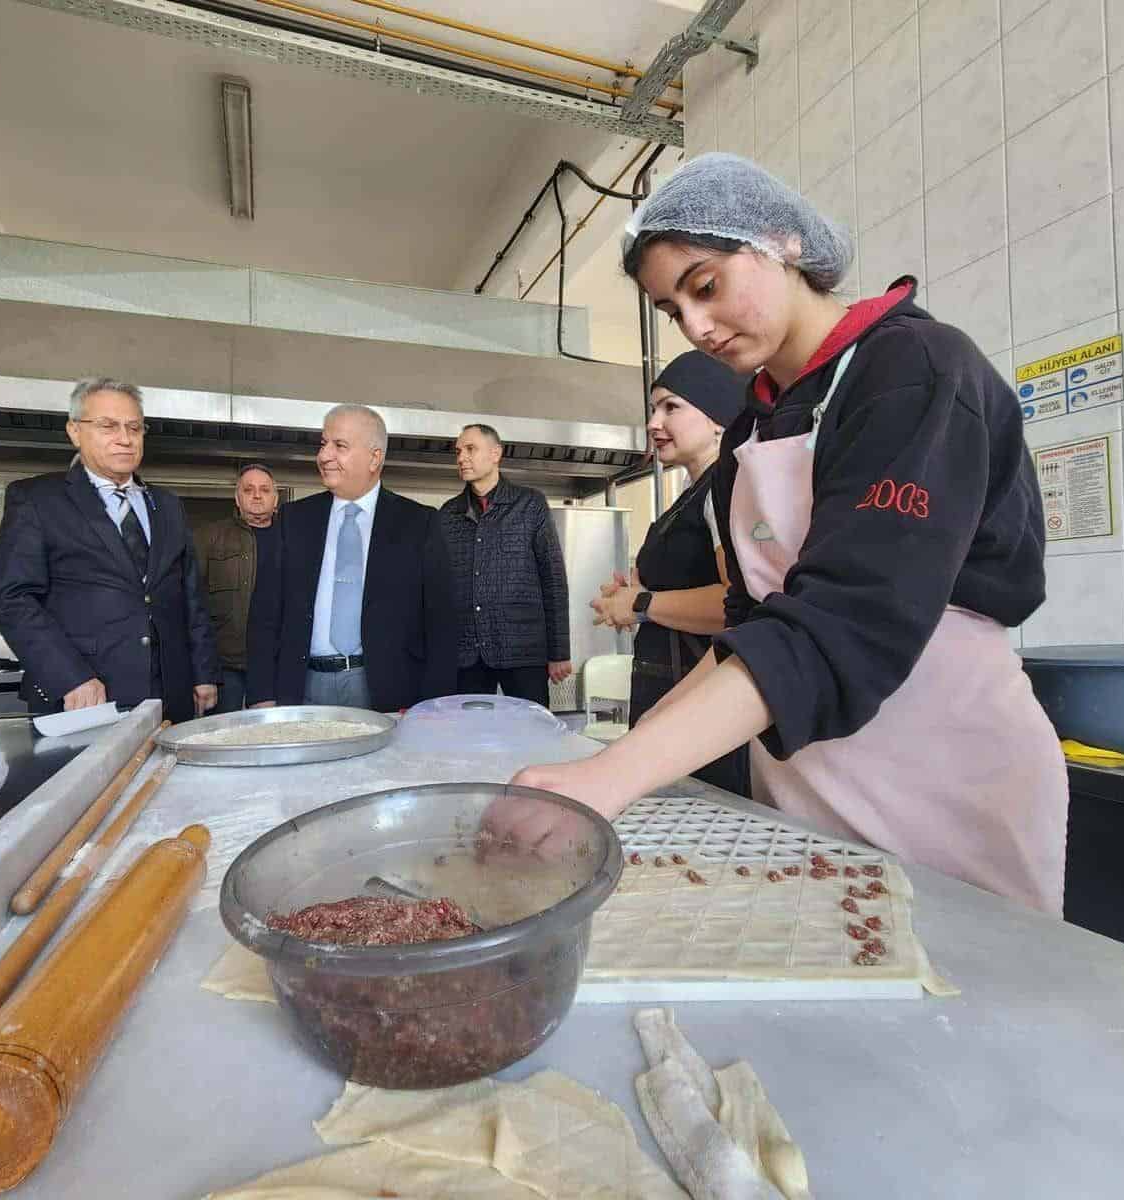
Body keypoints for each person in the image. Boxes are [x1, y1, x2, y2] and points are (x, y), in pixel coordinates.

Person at [508, 152, 1068, 916]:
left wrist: (611, 780)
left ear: (783, 242)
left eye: (705, 286)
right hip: (805, 774)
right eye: (674, 310)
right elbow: (751, 628)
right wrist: (621, 766)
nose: (698, 326)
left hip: (941, 764)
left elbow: (844, 620)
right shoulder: (759, 424)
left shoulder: (918, 370)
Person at [0, 378, 221, 723]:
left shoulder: (166, 505)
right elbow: (9, 594)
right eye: (108, 426)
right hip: (85, 696)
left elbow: (191, 596)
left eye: (135, 428)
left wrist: (203, 673)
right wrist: (70, 676)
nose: (125, 438)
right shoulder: (37, 500)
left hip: (170, 697)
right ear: (74, 431)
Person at [588, 351, 752, 795]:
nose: (653, 423)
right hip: (672, 694)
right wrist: (634, 601)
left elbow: (738, 605)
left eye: (671, 407)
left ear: (719, 418)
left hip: (704, 707)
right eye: (652, 409)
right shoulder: (691, 494)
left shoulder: (725, 488)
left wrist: (641, 602)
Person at [247, 404, 454, 712]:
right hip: (301, 687)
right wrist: (262, 694)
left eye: (339, 446)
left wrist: (432, 705)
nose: (324, 455)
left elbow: (441, 624)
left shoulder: (419, 523)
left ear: (375, 458)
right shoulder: (293, 519)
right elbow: (265, 613)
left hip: (388, 692)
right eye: (323, 444)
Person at [440, 423, 571, 707]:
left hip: (523, 649)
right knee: (469, 739)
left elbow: (553, 579)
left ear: (496, 453)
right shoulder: (448, 514)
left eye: (471, 449)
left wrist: (559, 652)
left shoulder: (530, 504)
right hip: (467, 654)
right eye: (458, 452)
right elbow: (440, 588)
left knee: (532, 735)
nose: (461, 457)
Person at [199, 462, 280, 713]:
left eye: (265, 490)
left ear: (275, 498)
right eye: (248, 489)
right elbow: (192, 604)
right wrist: (202, 671)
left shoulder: (290, 536)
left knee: (273, 738)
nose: (257, 495)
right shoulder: (209, 537)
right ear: (237, 497)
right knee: (222, 739)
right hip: (225, 665)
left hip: (274, 663)